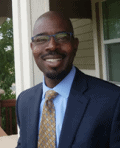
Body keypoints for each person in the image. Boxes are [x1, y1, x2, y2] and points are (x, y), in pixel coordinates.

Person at [16, 11, 120, 148]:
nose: (52, 46)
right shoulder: (24, 101)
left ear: (75, 44)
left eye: (62, 37)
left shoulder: (112, 101)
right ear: (32, 47)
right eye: (41, 39)